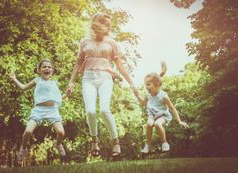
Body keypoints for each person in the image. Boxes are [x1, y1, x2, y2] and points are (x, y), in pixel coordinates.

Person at [66, 12, 138, 157]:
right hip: (88, 78)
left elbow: (120, 66)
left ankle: (116, 142)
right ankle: (94, 140)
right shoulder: (84, 42)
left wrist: (132, 84)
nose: (107, 27)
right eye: (104, 24)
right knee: (90, 111)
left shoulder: (112, 43)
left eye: (108, 25)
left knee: (105, 110)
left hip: (105, 78)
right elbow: (78, 63)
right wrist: (71, 82)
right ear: (96, 24)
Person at [10, 59, 66, 161]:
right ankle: (23, 148)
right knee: (27, 131)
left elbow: (59, 98)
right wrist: (14, 79)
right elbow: (23, 88)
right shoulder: (37, 80)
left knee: (61, 132)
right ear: (39, 70)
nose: (47, 68)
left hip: (52, 110)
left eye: (49, 67)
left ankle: (58, 144)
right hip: (39, 110)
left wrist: (67, 94)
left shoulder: (55, 83)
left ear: (52, 70)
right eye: (44, 67)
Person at [134, 62, 189, 153]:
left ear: (156, 85)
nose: (146, 87)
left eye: (148, 84)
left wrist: (179, 121)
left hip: (164, 115)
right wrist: (137, 95)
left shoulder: (163, 96)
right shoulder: (149, 94)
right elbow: (144, 103)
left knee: (157, 124)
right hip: (153, 115)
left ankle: (164, 143)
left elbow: (172, 108)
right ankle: (147, 145)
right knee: (149, 124)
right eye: (145, 84)